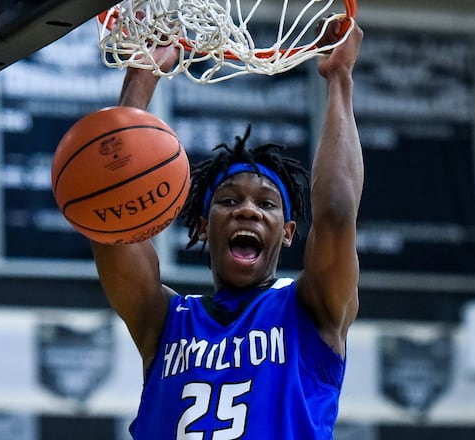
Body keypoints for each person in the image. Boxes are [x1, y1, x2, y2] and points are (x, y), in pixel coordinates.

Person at [89, 17, 365, 440]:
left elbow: (338, 213)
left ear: (289, 232)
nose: (248, 211)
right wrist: (141, 76)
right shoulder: (165, 320)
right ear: (202, 225)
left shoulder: (311, 310)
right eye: (229, 200)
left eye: (267, 204)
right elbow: (111, 218)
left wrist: (340, 79)